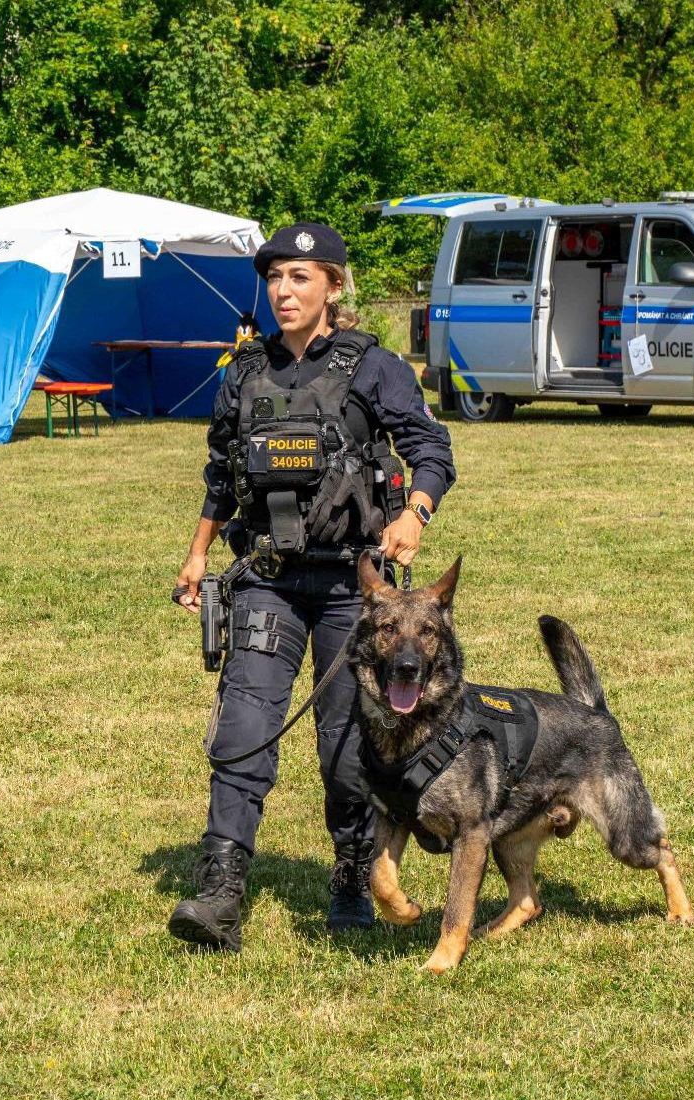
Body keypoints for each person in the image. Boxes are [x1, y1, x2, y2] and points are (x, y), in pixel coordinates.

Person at [168, 222, 456, 952]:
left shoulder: (373, 367)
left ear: (333, 285)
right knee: (243, 727)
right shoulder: (244, 372)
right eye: (274, 278)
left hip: (351, 591)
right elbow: (221, 474)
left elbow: (431, 450)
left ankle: (353, 875)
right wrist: (197, 554)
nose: (283, 291)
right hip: (267, 581)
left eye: (299, 277)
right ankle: (221, 891)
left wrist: (415, 514)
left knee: (346, 743)